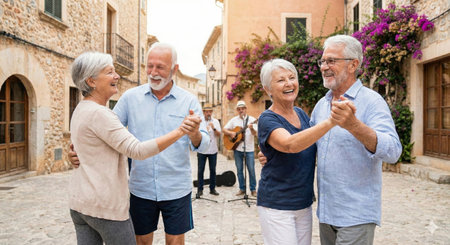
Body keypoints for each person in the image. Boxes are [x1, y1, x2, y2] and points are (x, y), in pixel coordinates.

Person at [259, 35, 402, 245]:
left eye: (331, 61)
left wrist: (354, 125)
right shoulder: (321, 106)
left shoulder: (371, 101)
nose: (324, 67)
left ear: (353, 64)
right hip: (326, 215)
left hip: (356, 215)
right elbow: (301, 143)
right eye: (323, 61)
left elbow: (393, 151)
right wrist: (272, 153)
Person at [69, 43, 210, 245]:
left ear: (174, 69)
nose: (153, 73)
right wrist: (74, 150)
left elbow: (204, 145)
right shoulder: (130, 98)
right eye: (149, 66)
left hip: (176, 188)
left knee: (175, 242)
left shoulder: (189, 101)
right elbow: (104, 131)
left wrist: (194, 133)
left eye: (160, 67)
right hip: (140, 188)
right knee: (141, 242)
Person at [257, 58, 342, 245]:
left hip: (303, 203)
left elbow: (311, 142)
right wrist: (331, 121)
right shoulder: (267, 118)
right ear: (268, 89)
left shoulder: (301, 114)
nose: (289, 83)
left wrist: (267, 155)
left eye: (292, 77)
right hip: (277, 205)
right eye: (280, 80)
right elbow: (289, 144)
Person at [223, 100, 258, 197]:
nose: (241, 110)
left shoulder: (252, 120)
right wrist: (231, 133)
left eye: (242, 108)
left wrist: (251, 128)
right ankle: (242, 189)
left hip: (249, 149)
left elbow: (255, 134)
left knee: (251, 170)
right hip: (238, 149)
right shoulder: (234, 120)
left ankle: (253, 189)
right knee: (239, 170)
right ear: (237, 110)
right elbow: (224, 129)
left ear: (246, 109)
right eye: (239, 109)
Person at [196, 103, 222, 197]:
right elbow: (196, 134)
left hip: (213, 150)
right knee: (200, 170)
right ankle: (199, 190)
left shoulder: (215, 121)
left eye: (210, 111)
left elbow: (219, 135)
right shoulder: (200, 121)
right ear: (203, 112)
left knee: (212, 170)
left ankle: (212, 189)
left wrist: (213, 128)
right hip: (202, 150)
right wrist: (204, 130)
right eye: (206, 111)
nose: (208, 113)